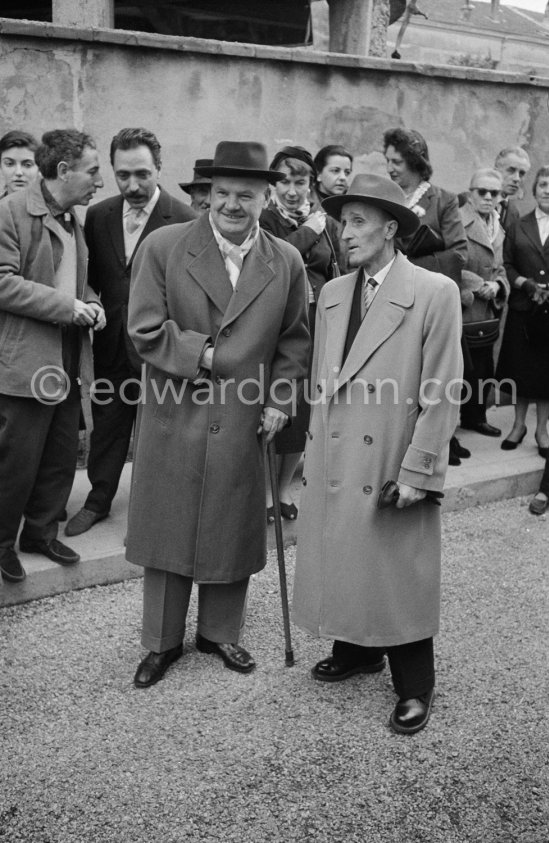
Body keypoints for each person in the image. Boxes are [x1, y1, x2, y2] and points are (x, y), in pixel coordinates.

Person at [126, 141, 310, 688]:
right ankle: (161, 643)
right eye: (223, 193)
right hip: (174, 410)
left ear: (265, 196)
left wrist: (280, 400)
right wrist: (202, 354)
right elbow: (143, 328)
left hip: (245, 415)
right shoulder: (164, 246)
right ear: (208, 194)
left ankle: (218, 633)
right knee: (169, 523)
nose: (233, 204)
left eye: (246, 195)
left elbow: (295, 342)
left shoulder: (287, 261)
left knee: (232, 521)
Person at [292, 173, 462, 735]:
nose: (345, 233)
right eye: (343, 222)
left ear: (391, 229)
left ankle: (416, 685)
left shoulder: (434, 292)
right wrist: (310, 449)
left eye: (359, 222)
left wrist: (419, 469)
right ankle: (358, 648)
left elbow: (442, 391)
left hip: (392, 453)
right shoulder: (335, 293)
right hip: (338, 453)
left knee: (396, 567)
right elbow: (324, 379)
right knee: (345, 549)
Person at [65, 128, 196, 538]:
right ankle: (97, 501)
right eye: (123, 175)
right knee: (107, 425)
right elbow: (89, 278)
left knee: (163, 427)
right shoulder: (99, 215)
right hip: (111, 345)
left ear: (159, 168)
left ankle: (157, 508)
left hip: (161, 348)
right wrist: (93, 302)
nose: (132, 185)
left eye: (142, 173)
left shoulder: (186, 220)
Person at [0, 129, 105, 584]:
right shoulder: (10, 212)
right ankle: (3, 541)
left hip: (67, 353)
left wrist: (91, 302)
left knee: (62, 451)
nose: (99, 182)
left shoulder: (70, 219)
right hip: (26, 358)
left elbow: (74, 283)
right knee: (16, 457)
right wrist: (68, 306)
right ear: (63, 171)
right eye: (93, 171)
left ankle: (40, 532)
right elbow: (3, 282)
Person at [260, 145, 342, 520]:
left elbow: (335, 267)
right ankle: (262, 494)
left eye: (301, 181)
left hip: (318, 324)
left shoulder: (324, 222)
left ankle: (283, 490)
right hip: (279, 326)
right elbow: (276, 261)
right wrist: (309, 232)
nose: (293, 190)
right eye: (285, 182)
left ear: (312, 184)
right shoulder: (266, 220)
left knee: (305, 412)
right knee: (276, 405)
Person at [384, 127, 468, 465]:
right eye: (387, 161)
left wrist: (412, 265)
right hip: (390, 301)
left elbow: (459, 253)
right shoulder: (386, 196)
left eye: (397, 161)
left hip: (430, 300)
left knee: (432, 374)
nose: (390, 168)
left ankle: (435, 443)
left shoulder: (443, 199)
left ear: (416, 162)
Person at [496, 165, 549, 456]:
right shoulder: (519, 224)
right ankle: (518, 426)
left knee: (545, 375)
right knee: (521, 371)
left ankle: (542, 430)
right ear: (535, 189)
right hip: (522, 309)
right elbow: (507, 264)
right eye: (543, 185)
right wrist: (526, 284)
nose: (548, 191)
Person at [459, 168, 509, 437]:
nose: (489, 197)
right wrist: (478, 285)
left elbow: (501, 266)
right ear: (470, 193)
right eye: (483, 191)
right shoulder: (457, 221)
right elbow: (449, 263)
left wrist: (498, 285)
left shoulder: (497, 225)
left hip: (487, 312)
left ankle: (475, 417)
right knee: (459, 370)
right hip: (464, 306)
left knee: (483, 368)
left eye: (495, 193)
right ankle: (447, 430)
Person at [494, 146, 531, 233]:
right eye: (511, 170)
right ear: (496, 171)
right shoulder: (470, 201)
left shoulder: (513, 213)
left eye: (521, 173)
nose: (517, 178)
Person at [0, 130, 39, 197]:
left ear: (39, 168)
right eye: (9, 164)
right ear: (1, 166)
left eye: (27, 165)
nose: (18, 172)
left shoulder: (52, 207)